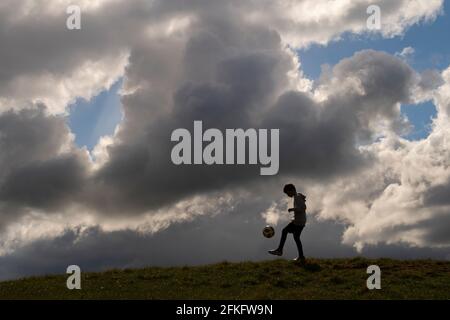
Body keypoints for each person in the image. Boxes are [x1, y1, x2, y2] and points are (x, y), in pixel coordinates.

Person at [269, 184, 306, 263]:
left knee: (286, 232)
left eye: (287, 193)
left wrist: (293, 209)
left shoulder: (297, 197)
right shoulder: (297, 196)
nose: (287, 195)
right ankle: (301, 257)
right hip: (299, 221)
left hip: (299, 222)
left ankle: (280, 250)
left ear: (291, 190)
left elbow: (303, 208)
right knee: (293, 236)